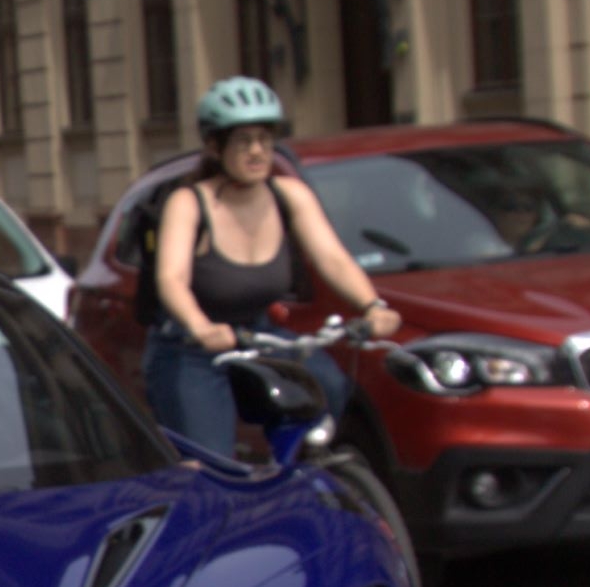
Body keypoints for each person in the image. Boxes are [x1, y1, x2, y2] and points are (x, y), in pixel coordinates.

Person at [146, 76, 401, 459]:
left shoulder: (289, 195)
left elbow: (332, 259)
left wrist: (372, 306)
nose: (257, 152)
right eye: (243, 141)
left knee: (327, 382)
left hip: (259, 336)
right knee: (213, 466)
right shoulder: (189, 203)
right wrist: (201, 326)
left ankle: (291, 481)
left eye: (265, 140)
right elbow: (171, 278)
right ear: (215, 146)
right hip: (192, 348)